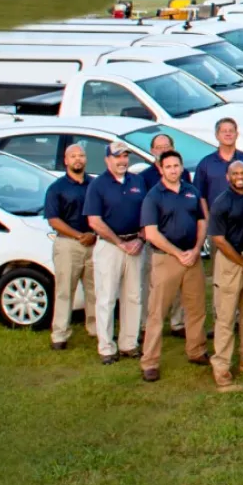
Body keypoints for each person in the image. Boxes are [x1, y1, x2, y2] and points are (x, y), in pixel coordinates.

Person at [138, 150, 207, 381]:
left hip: (192, 258)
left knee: (196, 307)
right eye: (168, 166)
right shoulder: (153, 196)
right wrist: (178, 254)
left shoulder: (191, 192)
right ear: (160, 169)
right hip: (166, 259)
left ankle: (196, 350)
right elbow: (151, 234)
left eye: (176, 165)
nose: (173, 170)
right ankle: (150, 361)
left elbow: (202, 221)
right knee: (157, 312)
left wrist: (196, 249)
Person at [84, 141, 147, 365]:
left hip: (136, 245)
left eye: (125, 156)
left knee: (134, 296)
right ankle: (106, 347)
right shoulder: (98, 185)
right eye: (117, 156)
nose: (122, 161)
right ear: (107, 159)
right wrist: (120, 243)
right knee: (107, 297)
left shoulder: (137, 181)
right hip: (110, 247)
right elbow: (94, 221)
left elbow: (146, 214)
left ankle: (129, 343)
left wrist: (140, 238)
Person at [205, 158, 243, 390]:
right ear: (227, 177)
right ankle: (222, 365)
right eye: (235, 173)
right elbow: (218, 239)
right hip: (230, 262)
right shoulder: (221, 202)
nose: (240, 176)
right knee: (226, 316)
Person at [43, 140, 98, 352]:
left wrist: (92, 234)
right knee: (65, 290)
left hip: (93, 243)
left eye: (81, 155)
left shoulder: (94, 185)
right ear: (66, 161)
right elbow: (53, 220)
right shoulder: (57, 188)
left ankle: (95, 328)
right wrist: (79, 235)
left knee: (95, 290)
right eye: (73, 156)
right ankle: (59, 334)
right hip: (68, 244)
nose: (78, 159)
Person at [193, 117, 243, 220]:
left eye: (231, 131)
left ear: (237, 135)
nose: (228, 134)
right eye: (224, 131)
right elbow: (201, 196)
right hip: (218, 222)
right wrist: (209, 222)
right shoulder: (205, 163)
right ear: (217, 136)